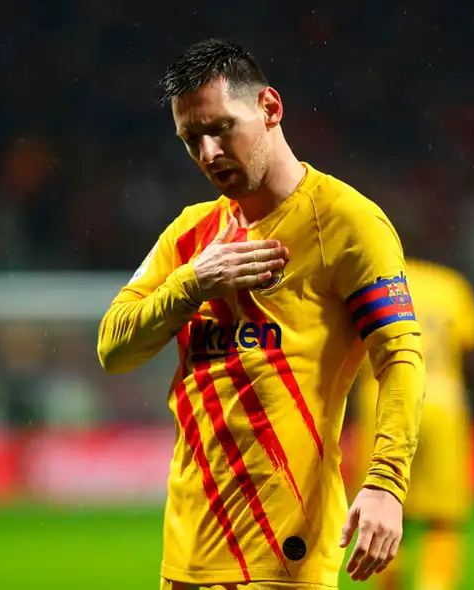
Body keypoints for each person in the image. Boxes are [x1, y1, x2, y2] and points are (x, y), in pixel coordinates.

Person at [97, 38, 425, 589]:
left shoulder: (346, 222)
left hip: (284, 551)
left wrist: (386, 483)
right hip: (187, 551)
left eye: (220, 128)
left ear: (270, 108)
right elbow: (113, 349)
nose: (207, 153)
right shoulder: (190, 236)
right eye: (190, 139)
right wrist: (194, 282)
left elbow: (399, 359)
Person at [354, 258, 474, 590]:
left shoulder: (368, 284)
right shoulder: (450, 284)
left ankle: (389, 585)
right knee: (443, 519)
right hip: (443, 401)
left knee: (383, 506)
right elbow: (473, 353)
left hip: (384, 400)